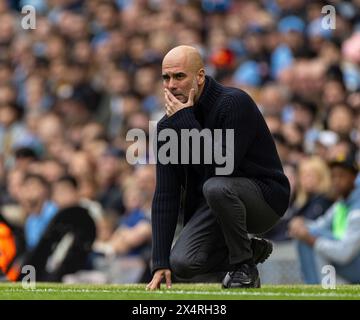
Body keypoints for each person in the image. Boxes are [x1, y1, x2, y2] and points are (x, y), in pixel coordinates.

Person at [147, 46, 290, 290]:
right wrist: (159, 261)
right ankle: (250, 250)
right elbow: (166, 195)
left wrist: (185, 122)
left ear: (200, 76)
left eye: (179, 76)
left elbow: (223, 164)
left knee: (216, 186)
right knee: (182, 263)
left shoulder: (233, 102)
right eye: (166, 77)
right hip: (218, 201)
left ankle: (244, 267)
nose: (171, 85)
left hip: (265, 198)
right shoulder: (167, 127)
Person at [289, 154, 360, 284]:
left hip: (354, 264)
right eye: (333, 176)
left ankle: (318, 286)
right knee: (305, 233)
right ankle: (313, 287)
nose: (336, 181)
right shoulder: (342, 203)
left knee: (308, 237)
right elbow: (318, 226)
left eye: (341, 176)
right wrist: (301, 224)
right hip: (349, 259)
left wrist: (311, 239)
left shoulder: (357, 208)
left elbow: (344, 254)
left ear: (354, 178)